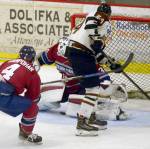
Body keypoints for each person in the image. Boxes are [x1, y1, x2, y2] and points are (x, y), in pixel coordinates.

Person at [37, 3, 128, 136]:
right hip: (80, 55)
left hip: (82, 55)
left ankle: (87, 118)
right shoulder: (96, 17)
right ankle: (83, 123)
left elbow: (96, 52)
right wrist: (97, 40)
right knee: (93, 89)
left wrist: (111, 64)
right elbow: (92, 27)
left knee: (93, 88)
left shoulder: (87, 34)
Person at [0, 46, 42, 143]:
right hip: (2, 97)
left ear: (19, 55)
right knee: (32, 107)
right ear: (32, 58)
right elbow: (33, 97)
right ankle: (25, 133)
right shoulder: (33, 72)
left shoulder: (8, 62)